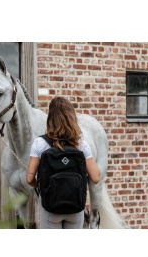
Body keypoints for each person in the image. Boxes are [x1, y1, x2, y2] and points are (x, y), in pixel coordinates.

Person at [26, 96, 100, 229]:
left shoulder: (40, 143)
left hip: (50, 207)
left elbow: (29, 178)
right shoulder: (82, 144)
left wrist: (38, 185)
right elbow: (95, 178)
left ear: (50, 119)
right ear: (72, 118)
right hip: (75, 208)